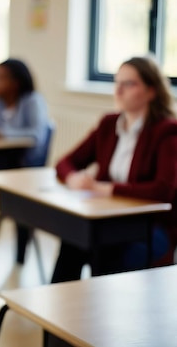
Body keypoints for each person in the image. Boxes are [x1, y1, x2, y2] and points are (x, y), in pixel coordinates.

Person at [51, 56, 177, 283]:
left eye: (129, 84)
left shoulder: (167, 131)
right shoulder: (109, 124)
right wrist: (72, 178)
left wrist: (106, 189)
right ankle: (58, 312)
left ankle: (101, 312)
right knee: (73, 237)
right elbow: (66, 161)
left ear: (151, 91)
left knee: (103, 249)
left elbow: (164, 190)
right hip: (108, 220)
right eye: (117, 82)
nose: (118, 90)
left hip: (152, 227)